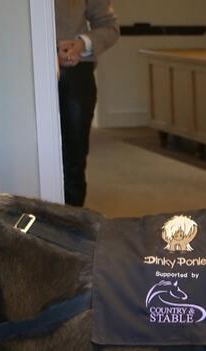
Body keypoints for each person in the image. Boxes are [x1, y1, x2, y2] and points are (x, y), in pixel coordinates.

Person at [55, 0, 119, 206]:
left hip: (73, 75)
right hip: (17, 70)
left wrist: (81, 44)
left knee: (73, 159)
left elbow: (109, 28)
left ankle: (71, 226)